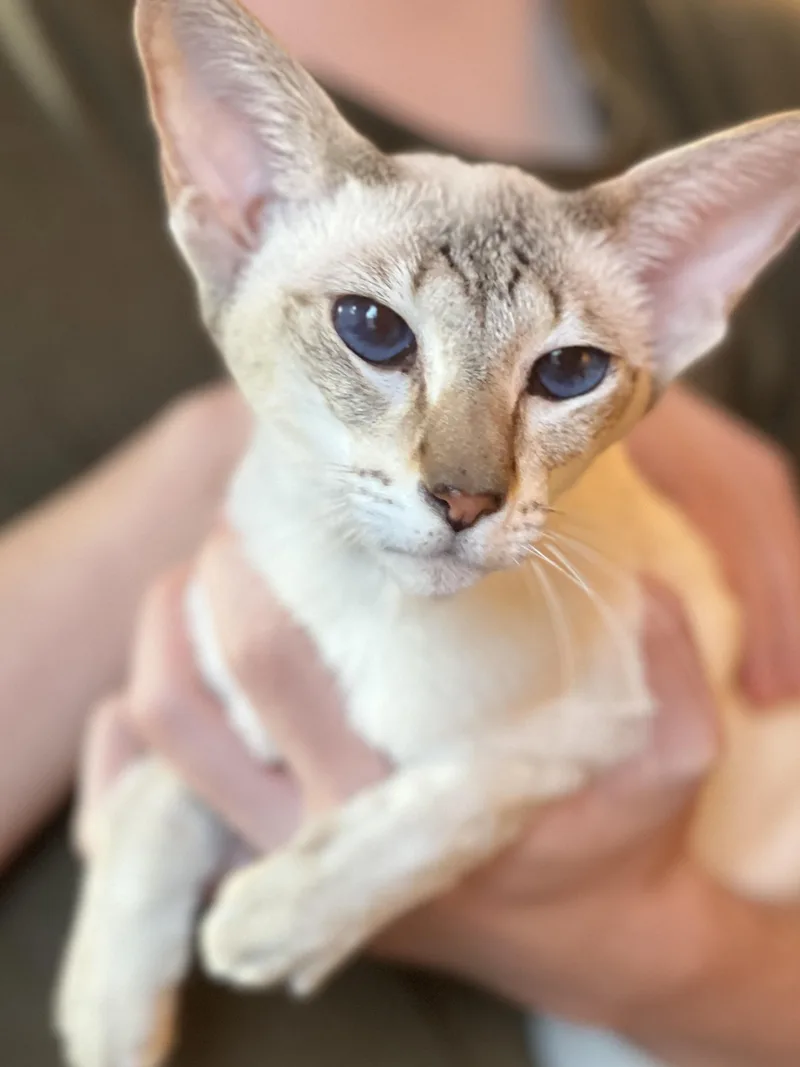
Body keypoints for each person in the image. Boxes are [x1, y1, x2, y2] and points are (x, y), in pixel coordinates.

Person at [3, 1, 800, 1065]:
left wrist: (633, 939)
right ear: (239, 209)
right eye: (374, 330)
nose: (464, 481)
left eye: (565, 369)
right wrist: (215, 447)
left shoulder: (741, 59)